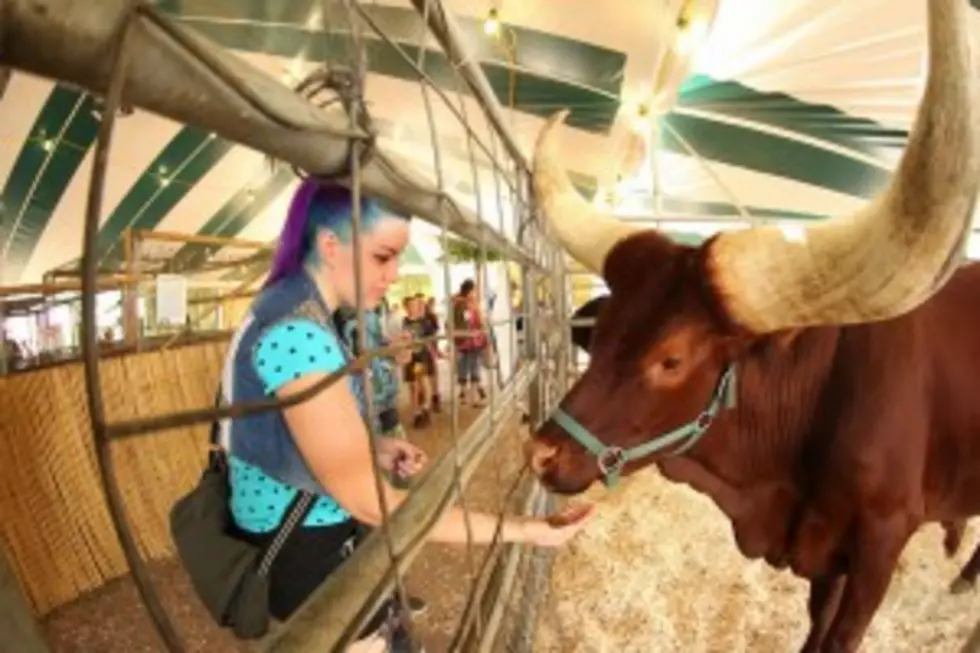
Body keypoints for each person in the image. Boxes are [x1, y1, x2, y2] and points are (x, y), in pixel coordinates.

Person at [218, 179, 593, 652]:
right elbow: (368, 503)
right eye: (382, 256)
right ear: (331, 246)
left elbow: (286, 427)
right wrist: (524, 530)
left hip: (304, 535)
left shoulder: (294, 309)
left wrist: (371, 446)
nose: (395, 274)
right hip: (307, 553)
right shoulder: (299, 332)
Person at [451, 279, 488, 406]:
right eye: (474, 290)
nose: (475, 292)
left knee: (467, 367)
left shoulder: (458, 303)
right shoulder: (465, 304)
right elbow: (471, 322)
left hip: (466, 341)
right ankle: (471, 397)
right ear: (470, 290)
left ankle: (467, 396)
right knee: (471, 367)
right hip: (470, 340)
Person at [401, 295, 434, 428]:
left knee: (422, 382)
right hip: (410, 358)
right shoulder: (404, 322)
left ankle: (426, 407)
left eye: (414, 305)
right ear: (406, 307)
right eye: (410, 305)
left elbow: (430, 338)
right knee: (413, 386)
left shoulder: (424, 322)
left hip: (420, 358)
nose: (413, 308)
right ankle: (417, 412)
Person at [421, 296, 443, 413]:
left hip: (430, 351)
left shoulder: (431, 317)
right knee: (421, 377)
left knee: (433, 374)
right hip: (418, 355)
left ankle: (435, 397)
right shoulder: (408, 320)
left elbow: (435, 335)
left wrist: (436, 350)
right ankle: (426, 401)